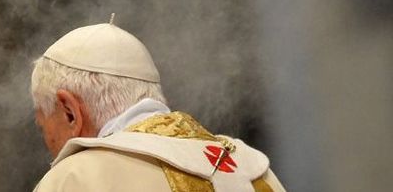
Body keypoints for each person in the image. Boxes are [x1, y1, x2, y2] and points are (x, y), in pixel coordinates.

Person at [31, 21, 286, 192]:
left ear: (69, 111)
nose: (52, 152)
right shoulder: (251, 171)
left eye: (44, 128)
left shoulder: (76, 179)